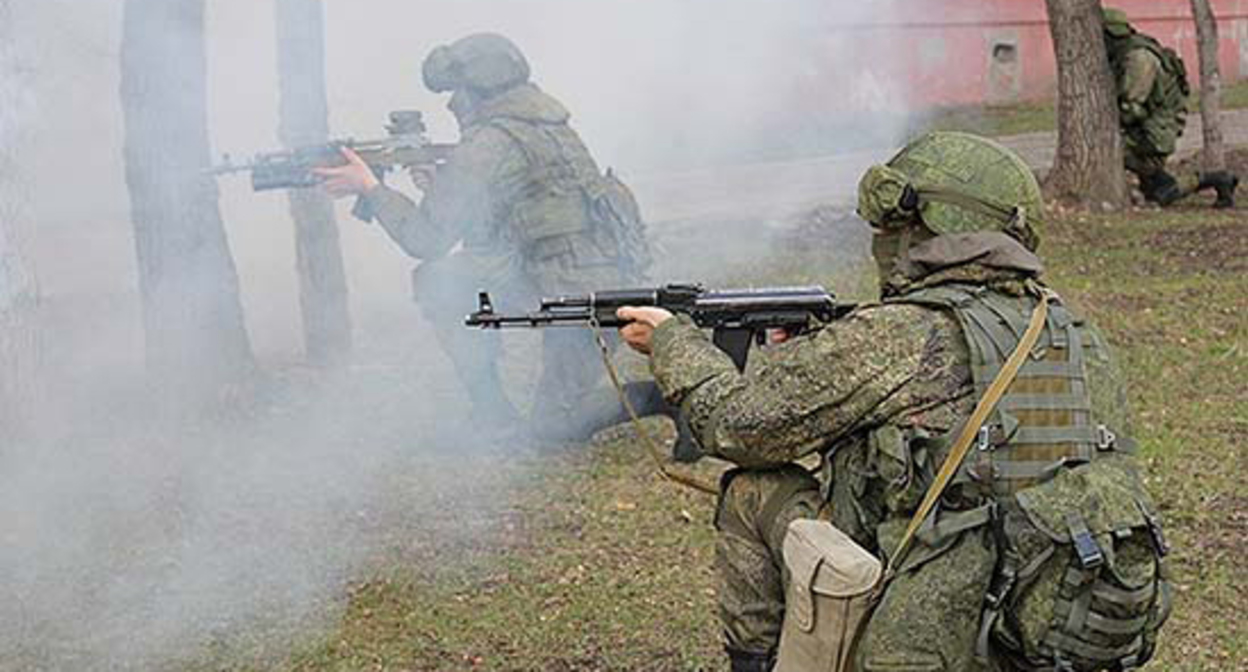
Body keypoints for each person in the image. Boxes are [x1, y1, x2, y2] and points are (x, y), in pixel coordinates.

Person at [618, 132, 1171, 671]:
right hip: (1047, 618)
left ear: (923, 229)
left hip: (938, 631)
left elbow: (737, 427)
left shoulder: (905, 333)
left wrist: (671, 342)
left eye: (892, 226)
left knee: (751, 491)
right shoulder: (1070, 328)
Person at [317, 33, 651, 441]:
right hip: (584, 276)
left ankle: (655, 401)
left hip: (576, 293)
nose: (451, 104)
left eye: (457, 92)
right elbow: (518, 217)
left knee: (553, 430)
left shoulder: (489, 142)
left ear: (478, 90)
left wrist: (370, 187)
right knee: (448, 281)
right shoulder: (541, 123)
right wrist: (440, 189)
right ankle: (492, 416)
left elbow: (425, 240)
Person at [1103, 7, 1238, 207]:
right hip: (1149, 129)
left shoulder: (1139, 58)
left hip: (1153, 135)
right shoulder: (1128, 52)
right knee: (1154, 187)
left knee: (1115, 156)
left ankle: (1215, 180)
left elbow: (1130, 108)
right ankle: (1218, 179)